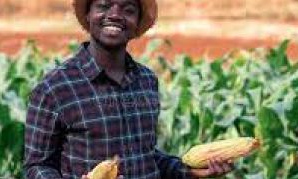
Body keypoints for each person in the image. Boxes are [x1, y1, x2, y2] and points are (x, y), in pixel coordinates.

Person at [24, 0, 234, 178]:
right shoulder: (54, 87)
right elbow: (37, 166)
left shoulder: (147, 81)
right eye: (104, 5)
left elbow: (145, 155)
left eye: (128, 9)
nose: (115, 15)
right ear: (88, 15)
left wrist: (188, 171)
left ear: (137, 23)